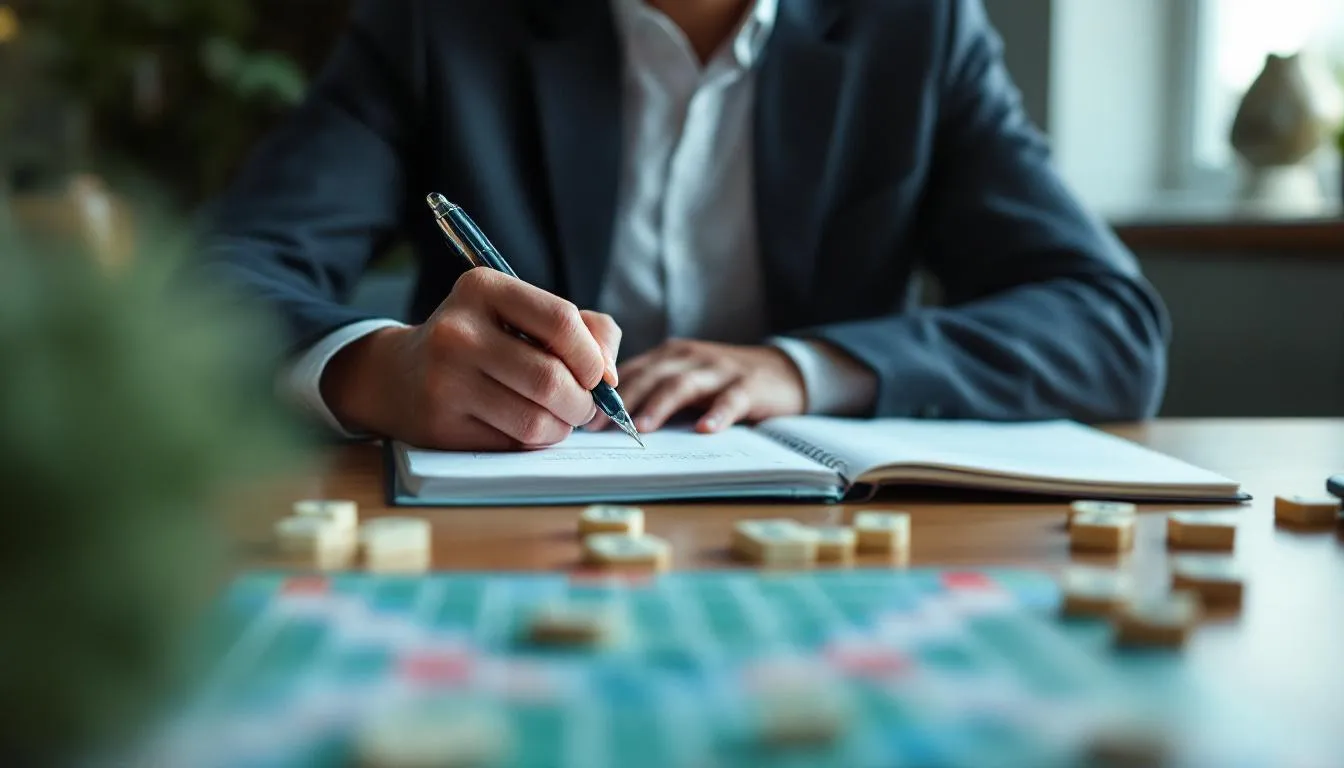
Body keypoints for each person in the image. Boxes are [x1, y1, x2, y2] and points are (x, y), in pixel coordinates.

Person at [201, 0, 1170, 451]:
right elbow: (219, 279)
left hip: (835, 565)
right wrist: (380, 371)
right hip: (490, 556)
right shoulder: (442, 24)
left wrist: (803, 368)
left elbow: (1107, 323)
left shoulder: (915, 28)